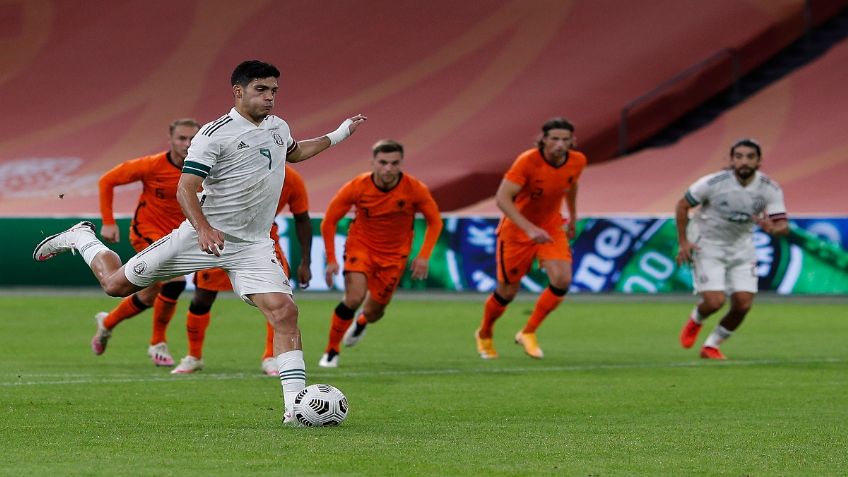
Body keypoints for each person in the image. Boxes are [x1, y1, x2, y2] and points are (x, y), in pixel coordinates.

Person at [32, 59, 366, 424]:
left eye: (274, 91)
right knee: (116, 286)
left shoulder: (277, 127)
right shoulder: (214, 134)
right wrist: (204, 228)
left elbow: (296, 151)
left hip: (253, 244)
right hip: (201, 236)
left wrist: (340, 133)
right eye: (261, 90)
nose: (270, 98)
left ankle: (293, 410)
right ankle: (81, 237)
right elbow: (186, 187)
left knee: (285, 312)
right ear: (238, 92)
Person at [172, 164, 312, 376]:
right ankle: (194, 356)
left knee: (278, 300)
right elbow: (194, 194)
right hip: (220, 235)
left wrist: (306, 261)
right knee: (202, 298)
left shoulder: (291, 179)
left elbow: (302, 219)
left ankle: (271, 357)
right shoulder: (233, 165)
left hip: (261, 242)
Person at [318, 139, 443, 368]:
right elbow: (329, 221)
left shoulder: (415, 189)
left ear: (401, 163)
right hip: (361, 247)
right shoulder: (357, 186)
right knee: (354, 298)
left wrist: (424, 255)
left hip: (395, 256)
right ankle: (331, 350)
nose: (388, 168)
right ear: (373, 162)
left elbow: (435, 222)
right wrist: (332, 259)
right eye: (383, 162)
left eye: (394, 163)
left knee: (375, 311)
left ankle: (363, 322)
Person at [474, 117, 585, 360]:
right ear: (544, 139)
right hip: (516, 231)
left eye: (565, 140)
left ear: (572, 142)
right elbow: (502, 199)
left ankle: (528, 331)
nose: (560, 144)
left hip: (552, 227)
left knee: (562, 279)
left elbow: (572, 185)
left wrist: (573, 217)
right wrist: (529, 229)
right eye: (555, 138)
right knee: (507, 293)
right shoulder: (527, 162)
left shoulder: (577, 161)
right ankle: (484, 333)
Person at [93, 118, 200, 366]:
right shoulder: (152, 165)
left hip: (182, 236)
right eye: (182, 138)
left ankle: (107, 322)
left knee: (150, 294)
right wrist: (108, 221)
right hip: (147, 232)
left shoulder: (205, 169)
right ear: (171, 140)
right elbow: (107, 180)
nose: (187, 144)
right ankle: (157, 343)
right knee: (174, 283)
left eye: (192, 139)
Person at [676, 138, 788, 360]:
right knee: (715, 302)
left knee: (743, 305)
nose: (744, 161)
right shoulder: (712, 183)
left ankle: (711, 345)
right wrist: (684, 243)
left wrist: (773, 229)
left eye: (749, 157)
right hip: (707, 244)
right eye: (738, 157)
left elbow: (782, 225)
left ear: (759, 161)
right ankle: (696, 319)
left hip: (741, 248)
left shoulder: (769, 188)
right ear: (731, 160)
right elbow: (682, 205)